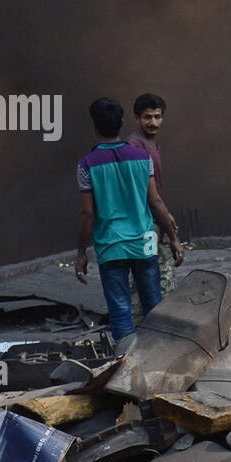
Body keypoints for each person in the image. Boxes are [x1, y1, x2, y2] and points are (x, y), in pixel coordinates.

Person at [75, 97, 184, 343]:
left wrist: (81, 252)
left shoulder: (86, 165)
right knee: (154, 304)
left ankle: (124, 361)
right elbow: (155, 202)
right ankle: (158, 355)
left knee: (121, 309)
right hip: (144, 243)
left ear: (94, 124)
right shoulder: (141, 157)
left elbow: (87, 213)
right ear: (124, 121)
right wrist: (174, 238)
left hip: (111, 246)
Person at [127, 93, 176, 295]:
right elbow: (148, 195)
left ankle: (146, 319)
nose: (153, 122)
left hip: (153, 217)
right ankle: (159, 320)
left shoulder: (149, 144)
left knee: (147, 275)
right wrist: (169, 227)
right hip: (147, 219)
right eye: (147, 117)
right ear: (137, 119)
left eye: (157, 116)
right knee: (159, 274)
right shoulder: (135, 146)